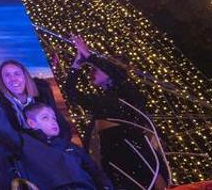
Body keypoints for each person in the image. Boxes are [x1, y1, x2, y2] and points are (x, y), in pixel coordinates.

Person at [62, 36, 167, 190]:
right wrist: (77, 64)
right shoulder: (100, 100)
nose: (92, 71)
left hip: (130, 144)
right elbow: (71, 94)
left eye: (96, 68)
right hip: (108, 149)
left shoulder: (126, 91)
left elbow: (117, 73)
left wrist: (89, 56)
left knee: (147, 179)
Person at [0, 81, 113, 190]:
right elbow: (2, 129)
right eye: (45, 118)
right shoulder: (25, 142)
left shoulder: (71, 147)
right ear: (32, 123)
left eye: (54, 118)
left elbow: (96, 172)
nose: (53, 122)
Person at [0, 60, 73, 190]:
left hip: (44, 148)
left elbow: (60, 125)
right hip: (16, 152)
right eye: (7, 75)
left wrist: (57, 147)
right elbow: (0, 132)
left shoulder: (42, 93)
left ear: (25, 76)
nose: (13, 78)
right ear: (1, 81)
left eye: (17, 73)